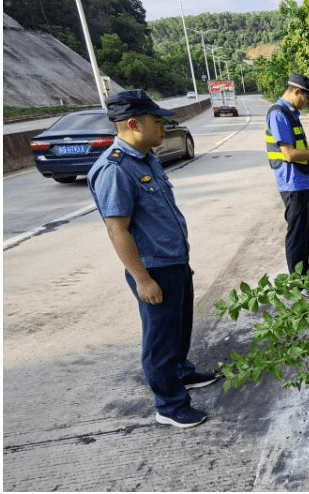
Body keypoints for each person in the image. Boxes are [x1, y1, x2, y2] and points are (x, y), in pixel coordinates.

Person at [87, 89, 218, 429]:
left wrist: (180, 257)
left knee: (180, 327)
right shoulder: (115, 169)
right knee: (160, 337)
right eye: (157, 121)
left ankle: (181, 373)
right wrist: (142, 278)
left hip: (172, 261)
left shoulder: (146, 159)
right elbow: (118, 230)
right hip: (153, 268)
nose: (164, 126)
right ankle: (170, 405)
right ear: (133, 123)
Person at [265, 73, 309, 292]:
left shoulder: (290, 113)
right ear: (297, 92)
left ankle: (307, 275)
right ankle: (299, 284)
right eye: (306, 98)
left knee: (306, 233)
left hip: (303, 181)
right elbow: (289, 154)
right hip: (292, 184)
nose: (307, 104)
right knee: (297, 236)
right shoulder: (278, 114)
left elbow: (300, 149)